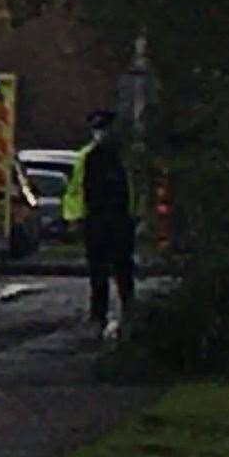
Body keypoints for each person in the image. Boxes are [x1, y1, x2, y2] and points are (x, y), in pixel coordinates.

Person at [61, 108, 140, 331]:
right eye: (97, 129)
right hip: (97, 220)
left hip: (120, 219)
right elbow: (76, 188)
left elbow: (134, 187)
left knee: (123, 267)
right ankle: (99, 311)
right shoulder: (86, 157)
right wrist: (75, 217)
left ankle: (128, 307)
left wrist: (137, 213)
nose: (100, 134)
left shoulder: (124, 156)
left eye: (103, 129)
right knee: (98, 269)